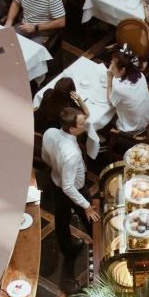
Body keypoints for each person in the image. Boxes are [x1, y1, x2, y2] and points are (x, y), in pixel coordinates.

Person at [42, 107, 100, 261]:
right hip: (75, 188)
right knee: (91, 218)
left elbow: (45, 157)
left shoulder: (49, 132)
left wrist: (57, 168)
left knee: (61, 220)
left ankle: (68, 251)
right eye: (82, 123)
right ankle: (101, 247)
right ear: (72, 129)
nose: (86, 124)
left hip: (56, 183)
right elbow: (69, 187)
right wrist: (86, 206)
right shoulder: (72, 154)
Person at [106, 50, 149, 135]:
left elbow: (110, 101)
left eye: (113, 67)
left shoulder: (119, 88)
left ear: (122, 70)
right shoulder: (140, 75)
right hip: (148, 120)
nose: (110, 69)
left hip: (133, 129)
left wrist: (109, 77)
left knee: (107, 117)